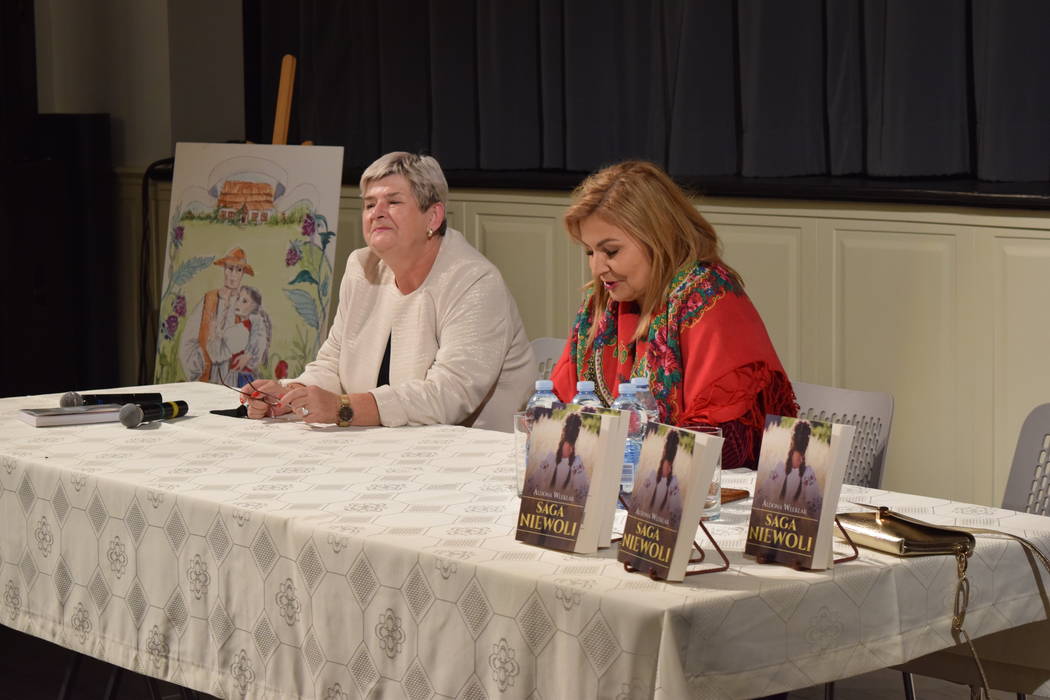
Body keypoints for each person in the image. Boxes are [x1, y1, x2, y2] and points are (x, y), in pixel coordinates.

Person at [246, 152, 535, 430]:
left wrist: (343, 407)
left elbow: (451, 394)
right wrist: (290, 394)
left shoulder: (475, 281)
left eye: (393, 202)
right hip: (384, 443)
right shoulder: (361, 267)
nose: (377, 213)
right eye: (369, 204)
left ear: (433, 217)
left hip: (476, 450)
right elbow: (332, 364)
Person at [550, 161, 797, 468]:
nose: (597, 268)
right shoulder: (599, 302)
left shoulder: (708, 296)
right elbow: (557, 413)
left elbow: (729, 442)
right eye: (589, 252)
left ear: (658, 239)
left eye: (611, 251)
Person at [180, 247, 254, 383]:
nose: (233, 275)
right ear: (224, 270)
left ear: (243, 273)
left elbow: (253, 339)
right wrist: (200, 364)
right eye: (230, 268)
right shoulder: (209, 299)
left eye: (239, 270)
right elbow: (188, 340)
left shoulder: (245, 303)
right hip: (205, 373)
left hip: (231, 377)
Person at [207, 286, 271, 388]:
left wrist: (213, 335)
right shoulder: (251, 328)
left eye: (244, 301)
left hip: (239, 380)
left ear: (254, 306)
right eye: (238, 298)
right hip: (242, 378)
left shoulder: (243, 329)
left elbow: (217, 356)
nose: (238, 303)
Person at [530, 412, 589, 503]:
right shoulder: (577, 464)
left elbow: (531, 485)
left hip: (542, 507)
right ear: (577, 435)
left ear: (563, 430)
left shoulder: (550, 458)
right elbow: (583, 498)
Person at [633, 429, 683, 526]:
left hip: (643, 525)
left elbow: (636, 501)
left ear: (664, 450)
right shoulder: (671, 483)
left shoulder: (656, 478)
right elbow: (676, 515)